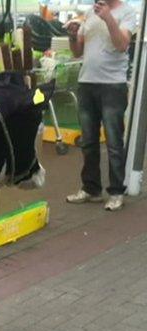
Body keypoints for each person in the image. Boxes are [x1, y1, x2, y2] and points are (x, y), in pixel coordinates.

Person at [65, 0, 137, 211]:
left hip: (113, 86)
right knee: (88, 141)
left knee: (114, 142)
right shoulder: (89, 13)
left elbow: (122, 45)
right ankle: (91, 188)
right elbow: (77, 51)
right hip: (87, 83)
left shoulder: (127, 13)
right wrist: (72, 34)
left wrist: (108, 18)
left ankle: (116, 192)